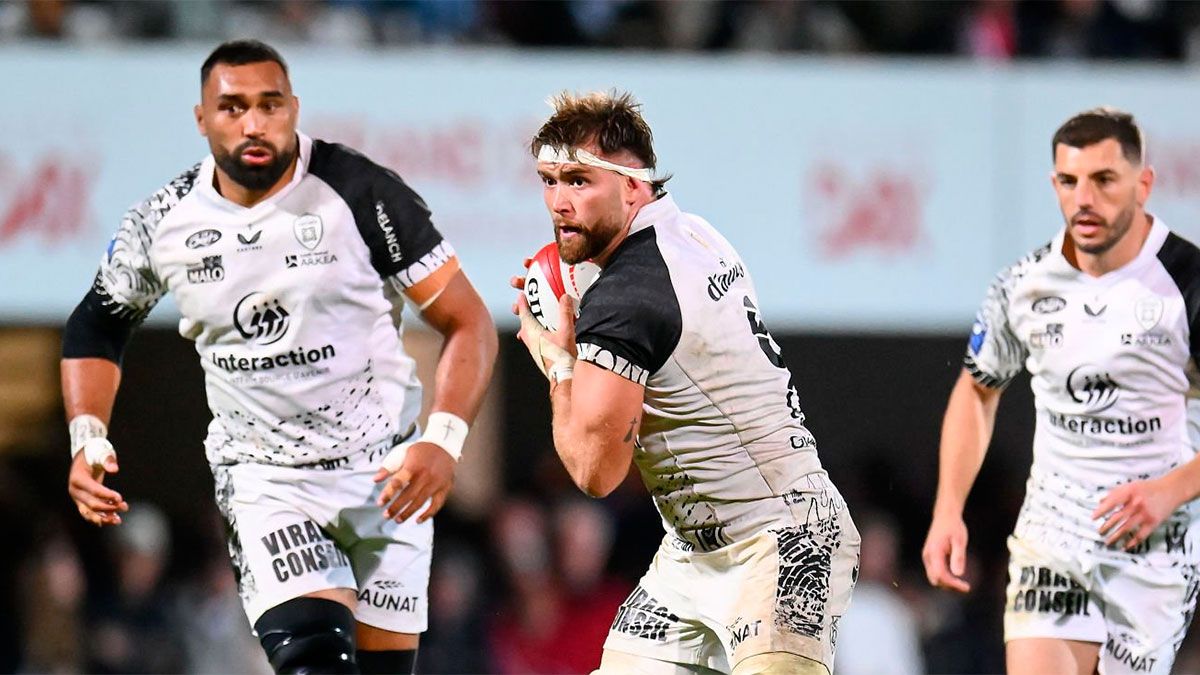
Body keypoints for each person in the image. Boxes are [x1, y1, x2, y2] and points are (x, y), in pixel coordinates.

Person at [61, 39, 497, 675]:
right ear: (202, 118)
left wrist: (444, 441)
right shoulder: (164, 221)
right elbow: (96, 324)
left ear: (294, 108)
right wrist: (87, 435)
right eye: (233, 107)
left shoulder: (361, 192)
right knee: (317, 662)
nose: (254, 123)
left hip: (385, 478)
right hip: (267, 481)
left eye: (270, 105)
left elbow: (469, 322)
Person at [511, 91, 860, 675]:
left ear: (632, 186)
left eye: (578, 181)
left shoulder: (628, 296)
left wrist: (559, 362)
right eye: (549, 181)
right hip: (691, 554)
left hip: (783, 539)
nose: (559, 203)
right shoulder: (693, 234)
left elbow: (594, 472)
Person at [922, 107, 1200, 675]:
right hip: (1054, 535)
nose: (1084, 199)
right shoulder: (1023, 285)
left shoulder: (1187, 282)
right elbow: (976, 391)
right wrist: (948, 508)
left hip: (1156, 546)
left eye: (1104, 180)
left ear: (1143, 184)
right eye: (1069, 182)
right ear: (1054, 184)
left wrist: (1171, 490)